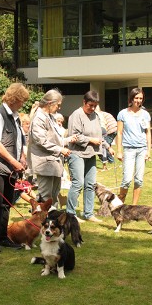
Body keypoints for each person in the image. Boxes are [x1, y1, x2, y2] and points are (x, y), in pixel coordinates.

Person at [0, 82, 30, 253]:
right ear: (14, 99)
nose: (23, 104)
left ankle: (3, 237)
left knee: (6, 204)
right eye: (21, 101)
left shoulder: (16, 116)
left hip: (11, 169)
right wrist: (13, 161)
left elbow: (19, 140)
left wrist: (22, 157)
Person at [66, 90, 109, 222]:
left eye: (95, 106)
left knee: (90, 184)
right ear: (84, 102)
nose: (92, 108)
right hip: (77, 153)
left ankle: (88, 214)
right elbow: (75, 136)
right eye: (90, 105)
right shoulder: (76, 115)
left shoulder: (95, 116)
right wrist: (91, 140)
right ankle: (70, 214)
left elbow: (99, 136)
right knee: (78, 183)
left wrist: (107, 147)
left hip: (91, 154)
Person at [28, 89, 74, 206]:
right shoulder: (39, 117)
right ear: (50, 103)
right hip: (44, 164)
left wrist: (68, 141)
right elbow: (41, 141)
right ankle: (40, 223)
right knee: (45, 198)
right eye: (58, 105)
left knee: (53, 196)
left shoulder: (49, 116)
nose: (59, 108)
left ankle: (51, 222)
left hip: (54, 163)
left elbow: (55, 139)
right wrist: (60, 149)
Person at [116, 87, 151, 205]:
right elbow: (119, 133)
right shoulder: (123, 114)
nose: (139, 100)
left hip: (142, 149)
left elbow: (148, 133)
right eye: (136, 98)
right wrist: (119, 151)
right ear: (131, 98)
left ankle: (133, 207)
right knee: (126, 180)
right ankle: (119, 206)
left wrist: (148, 151)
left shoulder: (145, 115)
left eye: (141, 98)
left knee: (139, 180)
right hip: (129, 150)